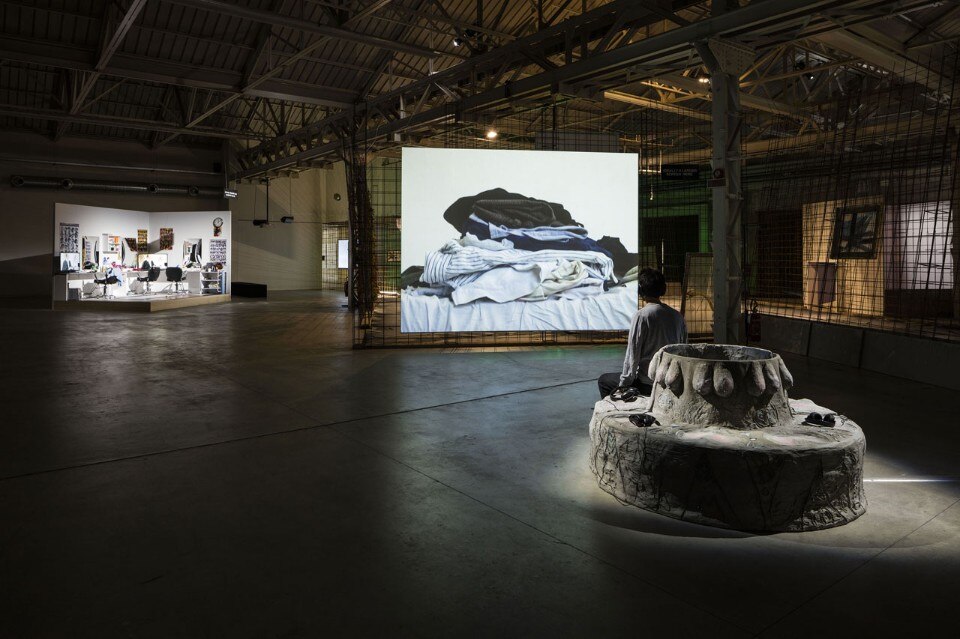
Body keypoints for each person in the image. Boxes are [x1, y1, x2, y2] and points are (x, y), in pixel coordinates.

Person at [598, 267, 687, 398]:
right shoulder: (678, 317)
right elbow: (684, 351)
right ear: (663, 289)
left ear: (640, 290)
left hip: (647, 384)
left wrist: (623, 385)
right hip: (670, 382)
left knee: (604, 381)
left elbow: (632, 355)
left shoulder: (642, 316)